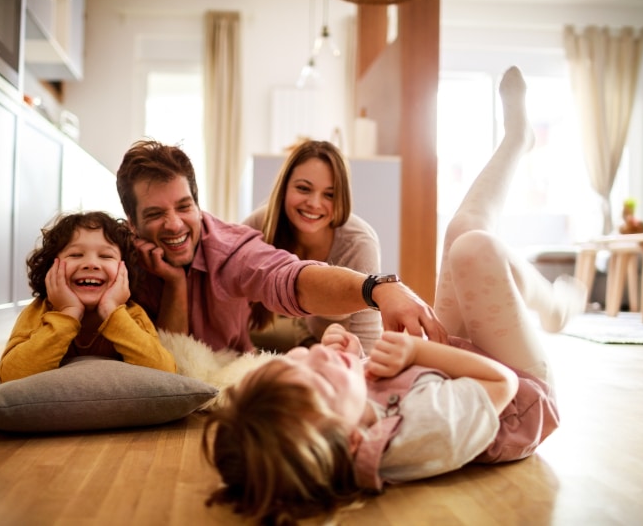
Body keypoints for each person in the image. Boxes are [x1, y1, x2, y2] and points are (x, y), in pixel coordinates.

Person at [201, 66, 588, 525]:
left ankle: (547, 296)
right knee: (472, 243)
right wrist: (415, 351)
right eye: (303, 189)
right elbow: (500, 384)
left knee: (466, 236)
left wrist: (344, 355)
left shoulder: (343, 416)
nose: (314, 203)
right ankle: (550, 300)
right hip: (520, 395)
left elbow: (365, 370)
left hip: (450, 367)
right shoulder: (417, 433)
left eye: (300, 362)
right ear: (350, 441)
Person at [115, 140, 447, 355]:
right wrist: (175, 282)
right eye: (156, 214)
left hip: (331, 332)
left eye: (184, 207)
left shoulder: (231, 248)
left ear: (199, 205)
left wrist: (376, 287)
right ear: (132, 223)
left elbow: (287, 277)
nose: (174, 224)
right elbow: (174, 363)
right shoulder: (117, 257)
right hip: (278, 336)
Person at [0, 211, 176, 382]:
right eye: (75, 255)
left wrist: (111, 311)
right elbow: (11, 375)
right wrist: (68, 313)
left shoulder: (132, 314)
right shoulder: (38, 311)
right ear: (51, 268)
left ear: (124, 270)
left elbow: (165, 372)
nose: (91, 264)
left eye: (106, 256)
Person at [242, 140, 382, 353]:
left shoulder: (358, 244)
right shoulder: (261, 224)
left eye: (329, 194)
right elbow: (225, 292)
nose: (314, 203)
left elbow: (369, 344)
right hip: (292, 335)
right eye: (303, 188)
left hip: (337, 353)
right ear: (284, 187)